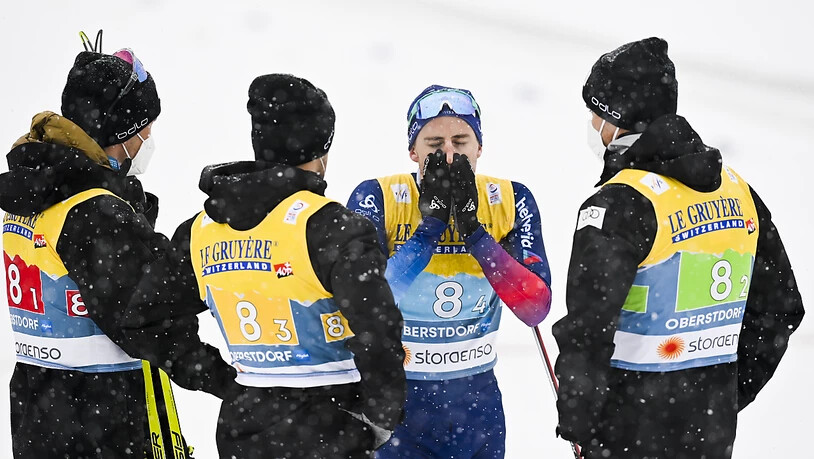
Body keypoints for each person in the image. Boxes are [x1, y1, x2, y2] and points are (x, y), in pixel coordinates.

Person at [123, 73, 406, 459]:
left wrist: (224, 381)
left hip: (245, 429)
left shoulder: (201, 230)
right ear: (322, 152)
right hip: (332, 425)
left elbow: (146, 321)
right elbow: (379, 331)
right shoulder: (332, 227)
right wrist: (381, 416)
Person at [552, 37, 805, 459]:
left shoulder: (617, 205)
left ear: (617, 119)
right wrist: (722, 395)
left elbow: (587, 331)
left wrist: (579, 420)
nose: (592, 124)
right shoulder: (738, 191)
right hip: (709, 433)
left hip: (626, 434)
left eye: (595, 113)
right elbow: (781, 309)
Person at [0, 43, 214, 458]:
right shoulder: (93, 208)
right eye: (144, 128)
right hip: (107, 409)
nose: (149, 138)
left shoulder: (34, 190)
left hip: (38, 402)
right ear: (119, 132)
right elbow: (151, 309)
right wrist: (203, 236)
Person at [347, 85, 553, 458]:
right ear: (413, 150)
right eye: (434, 143)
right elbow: (365, 301)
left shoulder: (509, 199)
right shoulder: (377, 197)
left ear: (479, 147)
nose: (448, 154)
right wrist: (429, 230)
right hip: (399, 406)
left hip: (477, 409)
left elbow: (534, 307)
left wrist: (475, 234)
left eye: (461, 141)